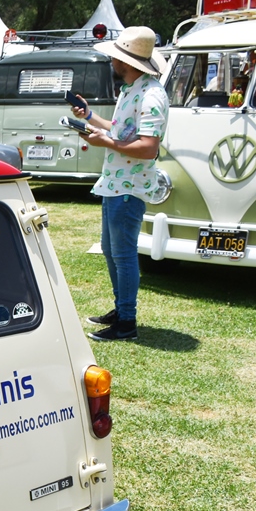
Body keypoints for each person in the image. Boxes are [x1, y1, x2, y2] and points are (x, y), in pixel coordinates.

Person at [71, 26, 170, 342]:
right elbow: (120, 129)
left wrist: (107, 144)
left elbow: (148, 147)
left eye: (115, 56)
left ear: (126, 61)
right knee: (113, 251)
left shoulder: (151, 95)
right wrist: (89, 118)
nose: (111, 60)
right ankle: (121, 310)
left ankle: (126, 321)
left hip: (129, 186)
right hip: (116, 183)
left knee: (122, 254)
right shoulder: (133, 89)